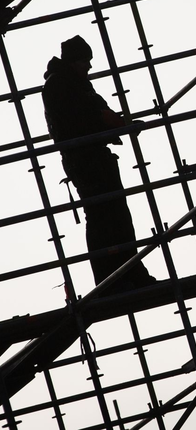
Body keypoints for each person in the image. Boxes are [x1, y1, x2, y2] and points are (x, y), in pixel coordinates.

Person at [42, 36, 156, 292]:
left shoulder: (66, 83)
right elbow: (91, 115)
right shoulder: (65, 84)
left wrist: (118, 124)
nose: (89, 67)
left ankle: (124, 274)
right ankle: (119, 276)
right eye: (85, 61)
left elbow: (93, 114)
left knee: (108, 217)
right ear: (74, 61)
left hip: (86, 158)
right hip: (87, 158)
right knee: (107, 217)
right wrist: (120, 125)